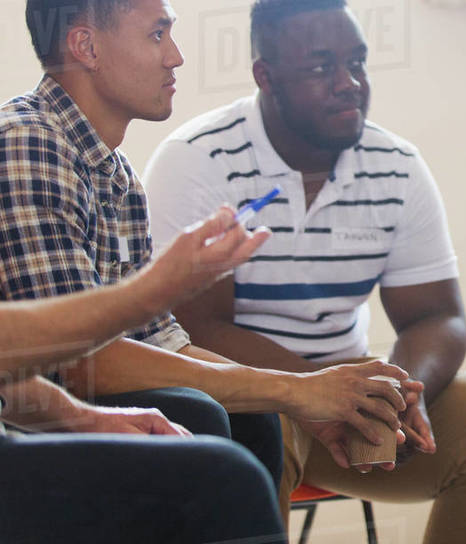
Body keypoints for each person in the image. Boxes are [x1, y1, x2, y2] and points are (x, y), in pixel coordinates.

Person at [2, 0, 414, 504]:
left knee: (251, 420)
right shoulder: (29, 144)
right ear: (86, 46)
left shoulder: (115, 172)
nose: (175, 56)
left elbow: (161, 341)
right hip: (26, 424)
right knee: (203, 417)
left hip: (64, 405)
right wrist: (294, 391)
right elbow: (80, 364)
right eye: (155, 34)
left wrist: (295, 398)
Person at [142, 0, 466, 541]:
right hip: (244, 399)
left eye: (357, 63)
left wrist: (404, 390)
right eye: (320, 69)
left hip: (348, 403)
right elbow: (196, 327)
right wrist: (317, 390)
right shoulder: (197, 161)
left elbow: (436, 316)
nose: (348, 84)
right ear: (267, 77)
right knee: (262, 426)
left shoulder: (396, 166)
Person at [0, 206, 287, 543]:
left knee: (242, 428)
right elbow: (77, 362)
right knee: (222, 478)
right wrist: (150, 292)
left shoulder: (120, 180)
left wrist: (85, 418)